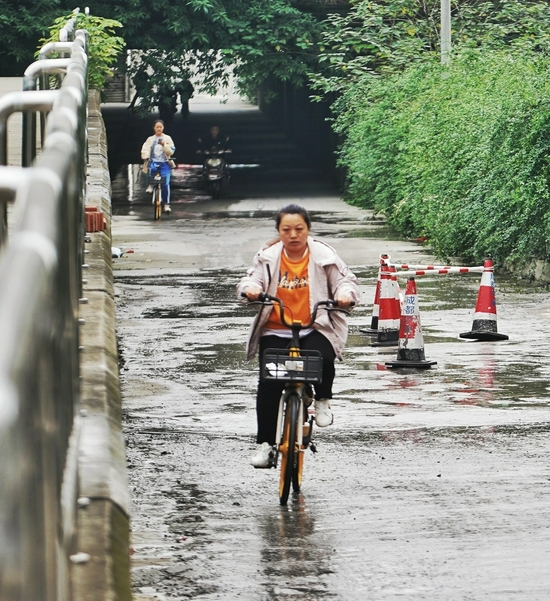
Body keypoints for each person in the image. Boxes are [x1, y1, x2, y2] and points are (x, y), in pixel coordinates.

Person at [237, 204, 360, 468]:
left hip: (314, 325)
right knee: (269, 383)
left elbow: (345, 281)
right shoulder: (268, 256)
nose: (293, 235)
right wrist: (251, 290)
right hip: (275, 328)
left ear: (308, 229)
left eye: (299, 229)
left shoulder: (323, 254)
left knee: (323, 357)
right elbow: (250, 280)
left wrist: (345, 295)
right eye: (286, 230)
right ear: (279, 232)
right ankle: (266, 445)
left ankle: (323, 399)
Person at [140, 120, 175, 213]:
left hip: (165, 163)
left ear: (163, 128)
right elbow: (145, 149)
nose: (159, 128)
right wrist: (145, 156)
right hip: (153, 162)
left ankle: (166, 204)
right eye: (157, 127)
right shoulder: (150, 139)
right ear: (154, 128)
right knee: (153, 170)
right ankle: (151, 185)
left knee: (166, 184)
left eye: (160, 127)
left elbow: (171, 151)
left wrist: (164, 145)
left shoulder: (167, 138)